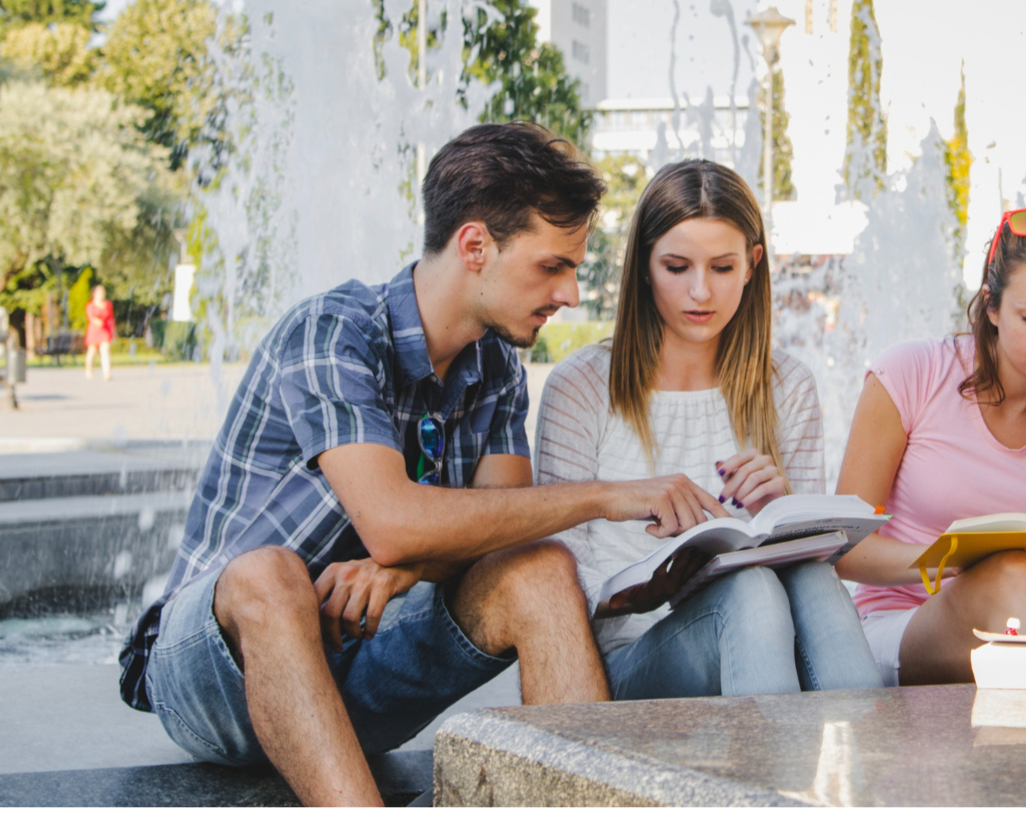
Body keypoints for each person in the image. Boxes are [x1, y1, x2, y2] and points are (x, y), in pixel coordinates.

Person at [118, 123, 728, 806]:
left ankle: (585, 815)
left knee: (540, 569)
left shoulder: (496, 366)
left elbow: (503, 531)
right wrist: (607, 495)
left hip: (353, 658)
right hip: (213, 674)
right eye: (553, 266)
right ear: (475, 246)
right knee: (270, 574)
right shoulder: (331, 332)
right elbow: (394, 522)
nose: (570, 295)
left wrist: (403, 566)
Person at [534, 160, 881, 699]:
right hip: (628, 660)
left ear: (752, 265)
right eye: (677, 267)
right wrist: (651, 589)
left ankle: (860, 767)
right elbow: (552, 588)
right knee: (749, 590)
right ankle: (775, 781)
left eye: (722, 268)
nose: (701, 292)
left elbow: (818, 572)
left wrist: (781, 509)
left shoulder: (788, 384)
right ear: (645, 266)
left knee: (810, 578)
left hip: (760, 651)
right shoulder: (582, 387)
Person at [833, 207, 1026, 686]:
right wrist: (954, 561)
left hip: (1019, 626)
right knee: (1012, 574)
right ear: (992, 307)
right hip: (898, 629)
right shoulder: (912, 373)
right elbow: (846, 549)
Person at [84, 284, 115, 381]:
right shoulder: (90, 305)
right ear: (94, 293)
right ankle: (89, 369)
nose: (102, 294)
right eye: (99, 292)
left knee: (105, 350)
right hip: (94, 331)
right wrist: (96, 321)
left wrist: (114, 330)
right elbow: (91, 317)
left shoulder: (108, 304)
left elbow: (111, 318)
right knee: (92, 352)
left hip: (105, 331)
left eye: (103, 292)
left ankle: (107, 372)